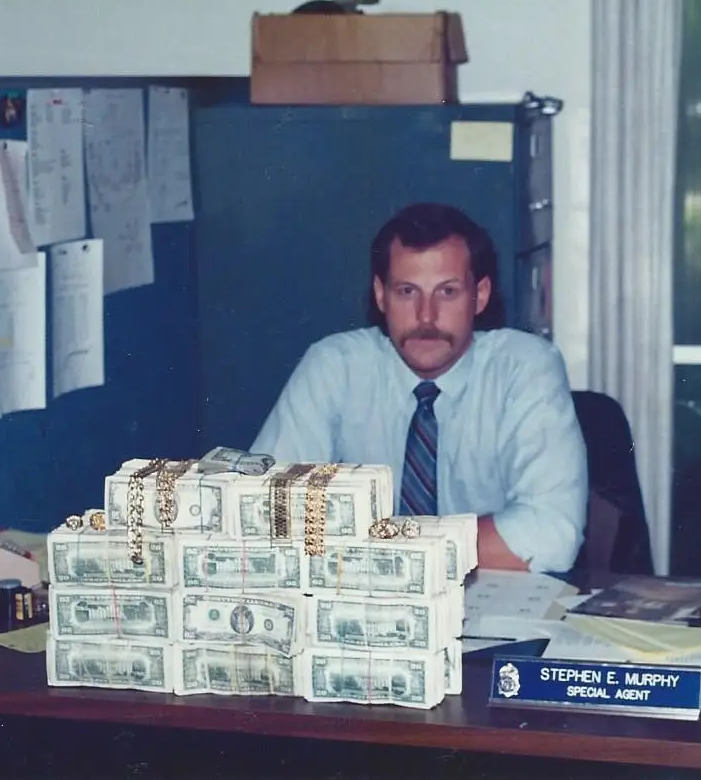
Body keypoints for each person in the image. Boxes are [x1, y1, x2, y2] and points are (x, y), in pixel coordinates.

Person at [251, 203, 589, 574]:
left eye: (447, 292)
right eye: (407, 291)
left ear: (480, 295)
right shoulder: (334, 366)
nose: (426, 316)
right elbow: (265, 512)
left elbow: (552, 537)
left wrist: (384, 543)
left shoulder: (524, 367)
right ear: (381, 295)